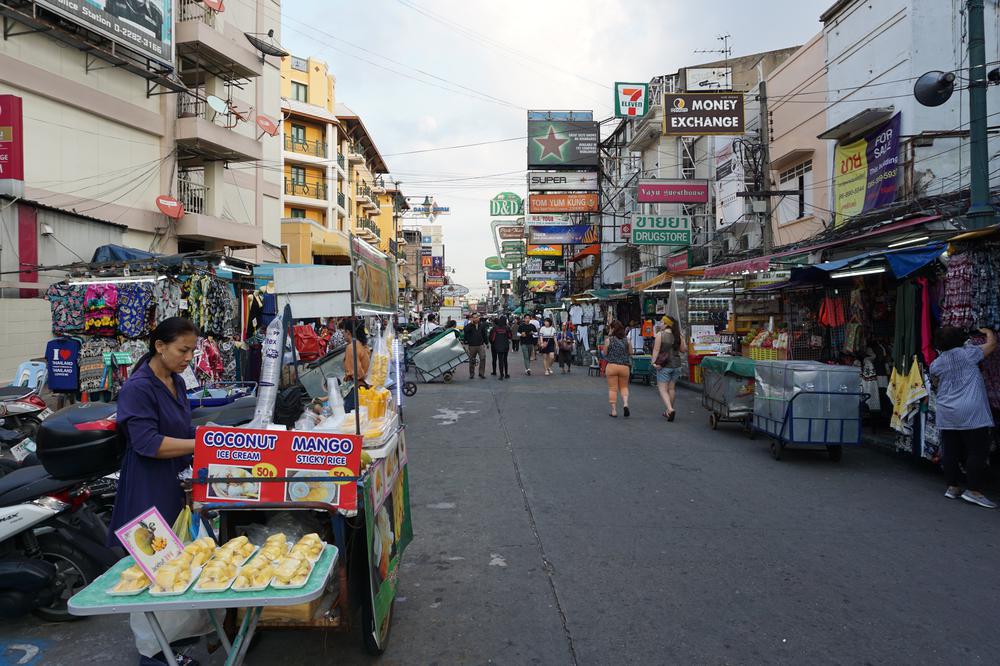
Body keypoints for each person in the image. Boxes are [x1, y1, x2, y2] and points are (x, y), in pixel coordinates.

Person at [108, 318, 199, 544]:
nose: (188, 358)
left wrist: (209, 434)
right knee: (156, 553)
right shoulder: (138, 388)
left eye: (192, 351)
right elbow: (148, 443)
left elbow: (180, 427)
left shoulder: (176, 381)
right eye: (183, 350)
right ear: (160, 346)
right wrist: (203, 444)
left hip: (176, 478)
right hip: (149, 484)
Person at [929, 326, 997, 508]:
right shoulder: (969, 354)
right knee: (977, 450)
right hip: (971, 410)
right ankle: (974, 491)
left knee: (950, 449)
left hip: (947, 410)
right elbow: (991, 345)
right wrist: (988, 332)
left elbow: (935, 380)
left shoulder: (936, 363)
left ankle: (952, 487)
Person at [651, 316, 687, 421]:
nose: (660, 324)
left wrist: (653, 363)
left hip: (664, 365)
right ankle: (668, 411)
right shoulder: (678, 336)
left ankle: (670, 409)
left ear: (666, 324)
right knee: (671, 389)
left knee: (662, 389)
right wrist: (683, 338)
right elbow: (683, 350)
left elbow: (656, 350)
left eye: (662, 322)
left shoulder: (660, 335)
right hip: (677, 365)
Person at [602, 319, 632, 417]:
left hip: (612, 366)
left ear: (613, 329)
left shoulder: (608, 340)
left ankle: (614, 411)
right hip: (624, 367)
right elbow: (631, 352)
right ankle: (626, 404)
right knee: (624, 387)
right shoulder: (627, 339)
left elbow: (605, 353)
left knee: (612, 389)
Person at [341, 319, 370, 412]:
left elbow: (357, 372)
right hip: (363, 387)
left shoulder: (351, 347)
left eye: (343, 331)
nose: (343, 334)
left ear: (348, 332)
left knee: (353, 420)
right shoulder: (362, 345)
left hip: (355, 390)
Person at [463, 313, 488, 379]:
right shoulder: (469, 325)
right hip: (472, 345)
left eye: (477, 317)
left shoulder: (481, 325)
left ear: (478, 318)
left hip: (480, 345)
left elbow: (484, 334)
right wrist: (471, 324)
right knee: (472, 360)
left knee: (483, 358)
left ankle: (481, 373)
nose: (476, 319)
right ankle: (471, 374)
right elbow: (465, 330)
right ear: (472, 318)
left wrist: (487, 343)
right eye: (474, 317)